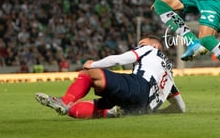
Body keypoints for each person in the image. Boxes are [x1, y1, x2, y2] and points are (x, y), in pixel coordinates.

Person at [35, 36, 185, 119]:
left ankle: (65, 101)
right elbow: (180, 107)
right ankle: (112, 112)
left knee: (89, 73)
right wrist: (156, 112)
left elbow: (119, 60)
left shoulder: (149, 49)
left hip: (138, 86)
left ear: (154, 45)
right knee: (77, 110)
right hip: (142, 107)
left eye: (142, 42)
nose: (139, 44)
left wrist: (93, 64)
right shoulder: (169, 74)